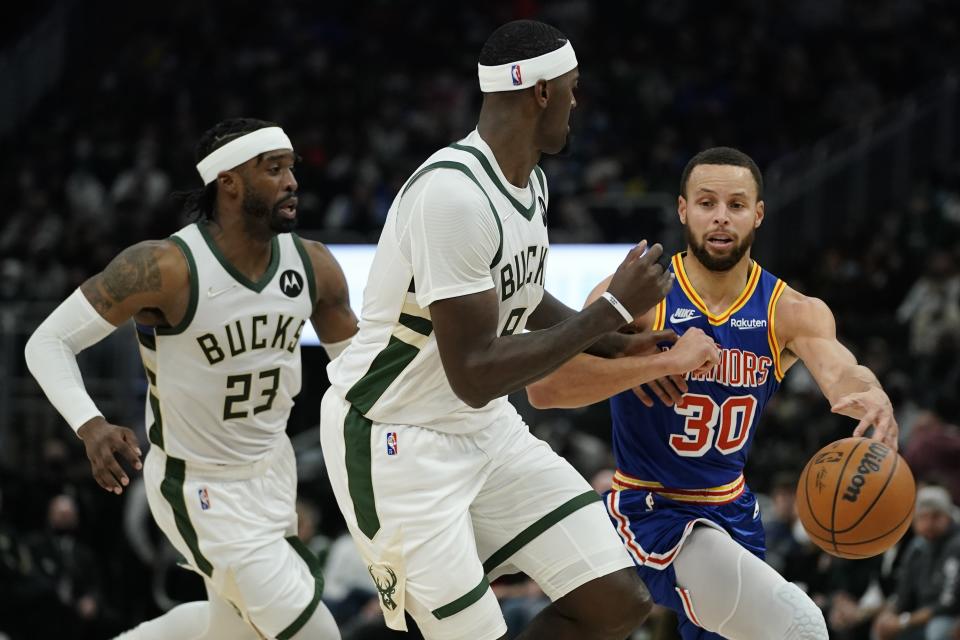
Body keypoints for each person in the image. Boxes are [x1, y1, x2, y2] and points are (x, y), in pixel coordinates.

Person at [319, 19, 720, 640]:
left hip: (485, 433)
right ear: (541, 92)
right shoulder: (451, 196)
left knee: (618, 601)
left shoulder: (528, 181)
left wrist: (618, 341)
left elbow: (523, 297)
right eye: (573, 87)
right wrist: (610, 309)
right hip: (398, 441)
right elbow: (475, 373)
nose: (576, 102)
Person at [527, 146, 901, 639]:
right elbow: (545, 388)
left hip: (734, 513)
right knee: (801, 626)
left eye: (737, 205)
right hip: (651, 508)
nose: (721, 218)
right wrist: (654, 364)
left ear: (758, 215)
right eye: (706, 203)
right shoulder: (640, 295)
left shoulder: (790, 309)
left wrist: (871, 392)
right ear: (683, 209)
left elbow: (842, 369)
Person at [25, 117, 357, 639]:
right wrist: (90, 425)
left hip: (272, 473)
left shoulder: (314, 265)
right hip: (199, 484)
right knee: (315, 633)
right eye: (274, 169)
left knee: (239, 632)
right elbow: (46, 342)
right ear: (228, 182)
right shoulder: (166, 267)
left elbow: (363, 373)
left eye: (291, 168)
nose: (292, 181)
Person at [873, 485, 960, 640]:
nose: (929, 523)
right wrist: (889, 615)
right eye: (923, 517)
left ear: (948, 516)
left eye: (936, 516)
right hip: (919, 616)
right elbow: (903, 595)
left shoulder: (956, 544)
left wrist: (903, 622)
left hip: (948, 617)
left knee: (938, 630)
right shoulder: (917, 548)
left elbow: (948, 604)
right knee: (881, 626)